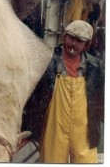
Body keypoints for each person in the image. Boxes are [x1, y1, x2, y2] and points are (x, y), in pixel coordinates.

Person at [23, 20, 104, 163]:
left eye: (79, 41)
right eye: (71, 38)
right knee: (51, 160)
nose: (73, 43)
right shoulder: (49, 60)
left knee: (86, 161)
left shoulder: (94, 65)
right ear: (64, 36)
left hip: (84, 127)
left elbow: (99, 99)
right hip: (54, 125)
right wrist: (30, 127)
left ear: (86, 45)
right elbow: (35, 97)